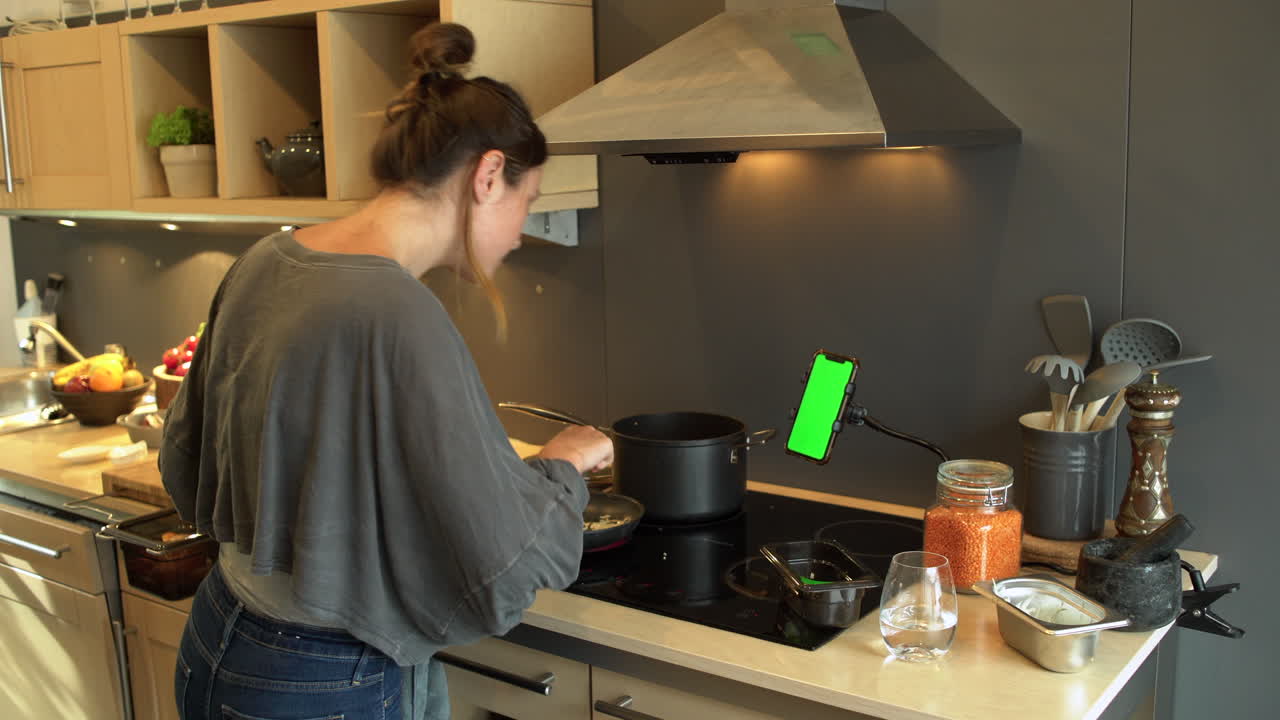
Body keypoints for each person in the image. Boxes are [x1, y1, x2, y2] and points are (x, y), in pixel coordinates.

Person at [159, 21, 613, 720]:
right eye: (529, 202)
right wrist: (561, 468)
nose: (523, 231)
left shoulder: (265, 260)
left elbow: (185, 461)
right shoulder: (395, 312)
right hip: (322, 678)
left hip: (219, 637)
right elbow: (502, 563)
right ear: (489, 176)